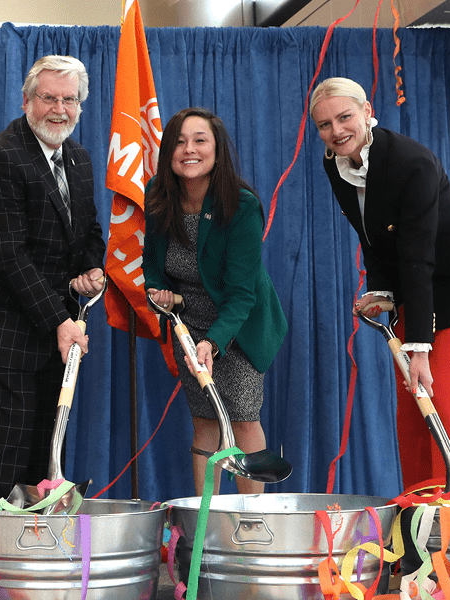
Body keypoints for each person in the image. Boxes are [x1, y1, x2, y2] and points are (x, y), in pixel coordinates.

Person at [310, 77, 450, 492]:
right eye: (324, 125)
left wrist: (419, 347)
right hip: (416, 288)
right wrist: (382, 290)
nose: (336, 131)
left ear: (367, 112)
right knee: (415, 411)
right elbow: (370, 232)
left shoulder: (410, 162)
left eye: (344, 117)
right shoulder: (335, 163)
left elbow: (418, 255)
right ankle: (420, 522)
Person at [0, 55, 106, 501]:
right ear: (25, 101)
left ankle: (38, 544)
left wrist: (91, 269)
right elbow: (9, 257)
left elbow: (89, 229)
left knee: (46, 468)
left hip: (52, 332)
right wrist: (61, 321)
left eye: (69, 100)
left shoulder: (78, 158)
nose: (59, 109)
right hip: (1, 337)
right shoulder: (0, 158)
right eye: (48, 98)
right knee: (6, 469)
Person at [142, 108, 287, 496]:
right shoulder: (158, 194)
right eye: (179, 142)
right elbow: (152, 264)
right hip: (187, 324)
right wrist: (158, 292)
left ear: (217, 149)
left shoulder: (240, 205)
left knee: (242, 417)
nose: (189, 149)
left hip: (238, 326)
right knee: (204, 419)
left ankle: (251, 519)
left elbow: (242, 294)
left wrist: (213, 342)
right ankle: (203, 518)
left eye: (200, 140)